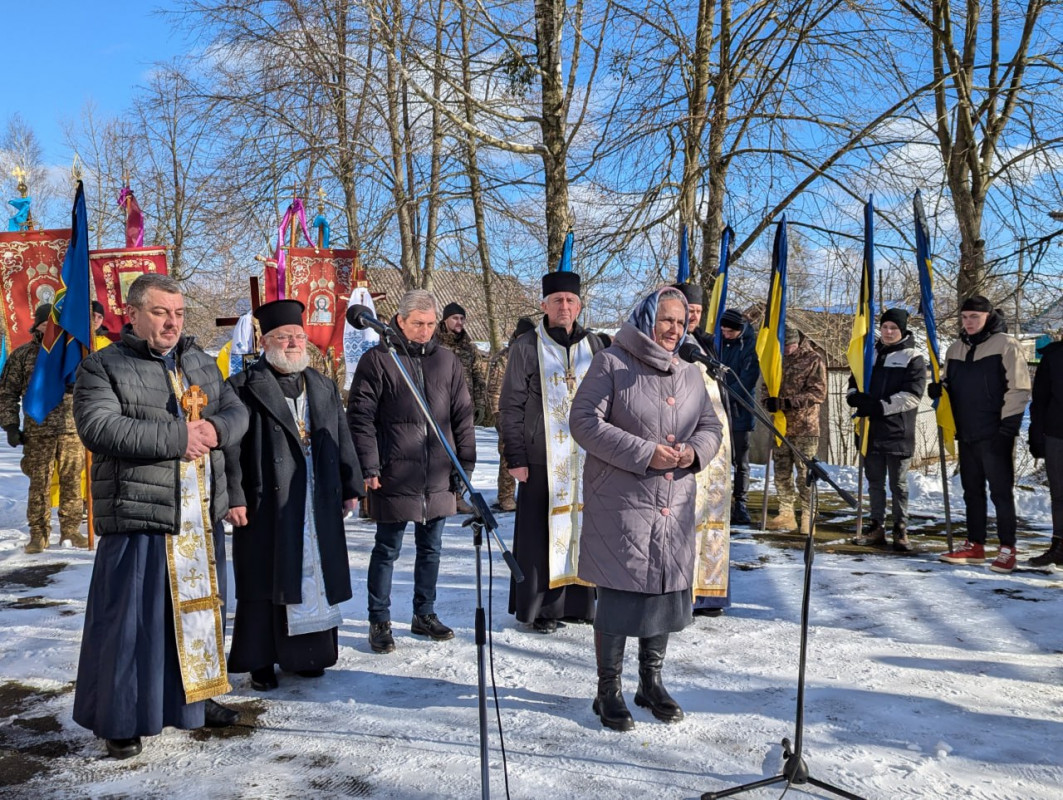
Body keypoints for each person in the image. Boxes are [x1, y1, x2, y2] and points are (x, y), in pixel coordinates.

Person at [72, 274, 249, 759]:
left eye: (178, 313)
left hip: (198, 516)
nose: (172, 322)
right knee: (132, 624)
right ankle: (122, 718)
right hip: (139, 514)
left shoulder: (200, 362)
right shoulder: (102, 365)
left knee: (200, 614)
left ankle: (198, 698)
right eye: (160, 312)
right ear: (132, 314)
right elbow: (100, 428)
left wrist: (214, 428)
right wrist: (179, 438)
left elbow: (237, 411)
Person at [570, 287, 723, 731]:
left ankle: (650, 683)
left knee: (662, 591)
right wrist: (644, 453)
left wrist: (694, 452)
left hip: (672, 504)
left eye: (681, 322)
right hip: (622, 500)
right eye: (666, 320)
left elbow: (710, 425)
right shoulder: (612, 363)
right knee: (619, 595)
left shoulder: (691, 373)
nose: (675, 330)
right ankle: (608, 691)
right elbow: (583, 422)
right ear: (646, 319)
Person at [224, 299, 363, 691]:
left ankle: (307, 655)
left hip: (315, 499)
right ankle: (261, 660)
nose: (293, 344)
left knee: (313, 575)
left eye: (298, 337)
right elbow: (230, 450)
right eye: (283, 337)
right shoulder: (242, 387)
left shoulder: (321, 384)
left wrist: (350, 485)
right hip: (265, 501)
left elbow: (341, 437)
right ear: (265, 341)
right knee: (264, 579)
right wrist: (233, 496)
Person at [347, 289, 476, 654]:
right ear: (400, 321)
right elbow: (360, 418)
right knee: (387, 549)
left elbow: (462, 415)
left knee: (431, 549)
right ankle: (379, 620)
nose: (425, 331)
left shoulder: (448, 361)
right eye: (418, 324)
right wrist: (369, 464)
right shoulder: (379, 360)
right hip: (393, 472)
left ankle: (424, 614)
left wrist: (463, 464)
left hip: (437, 473)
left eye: (431, 324)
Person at [499, 270, 602, 633]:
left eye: (571, 300)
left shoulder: (596, 346)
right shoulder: (528, 345)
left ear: (579, 305)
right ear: (544, 305)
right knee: (540, 536)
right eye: (557, 300)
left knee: (583, 528)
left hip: (586, 458)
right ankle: (542, 609)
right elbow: (510, 405)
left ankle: (579, 603)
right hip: (541, 458)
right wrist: (516, 456)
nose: (564, 306)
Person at [935, 296, 1031, 572]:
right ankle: (975, 545)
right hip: (966, 432)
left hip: (995, 432)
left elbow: (1020, 387)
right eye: (965, 317)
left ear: (988, 316)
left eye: (974, 317)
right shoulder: (954, 348)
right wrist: (939, 391)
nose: (969, 322)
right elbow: (949, 384)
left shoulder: (1006, 345)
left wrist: (1008, 426)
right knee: (971, 492)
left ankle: (1007, 548)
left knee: (1000, 492)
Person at [0, 303, 87, 552]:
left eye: (55, 323)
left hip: (72, 429)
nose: (50, 327)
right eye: (44, 323)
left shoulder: (74, 353)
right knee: (39, 483)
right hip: (38, 431)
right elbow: (6, 393)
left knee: (72, 482)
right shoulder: (23, 355)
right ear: (36, 325)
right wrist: (10, 425)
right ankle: (38, 533)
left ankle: (70, 531)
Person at [671, 284, 733, 619]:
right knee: (687, 518)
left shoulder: (707, 344)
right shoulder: (666, 343)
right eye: (687, 309)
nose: (693, 315)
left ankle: (709, 593)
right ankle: (684, 591)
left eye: (697, 310)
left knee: (712, 517)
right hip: (686, 442)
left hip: (715, 446)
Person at [848, 309, 926, 551]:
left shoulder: (913, 357)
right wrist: (854, 397)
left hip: (897, 431)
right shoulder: (868, 353)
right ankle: (876, 526)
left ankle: (900, 527)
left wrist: (879, 406)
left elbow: (912, 395)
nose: (889, 332)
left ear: (902, 330)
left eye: (894, 328)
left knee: (898, 484)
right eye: (885, 328)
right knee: (874, 482)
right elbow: (854, 380)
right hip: (870, 430)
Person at [762, 327, 827, 534]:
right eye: (784, 346)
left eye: (790, 346)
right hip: (781, 426)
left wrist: (786, 402)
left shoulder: (813, 359)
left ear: (797, 342)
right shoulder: (775, 358)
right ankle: (786, 513)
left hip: (805, 427)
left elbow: (818, 393)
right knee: (781, 472)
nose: (787, 350)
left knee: (805, 473)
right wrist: (768, 402)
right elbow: (766, 384)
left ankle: (808, 514)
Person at [436, 301, 486, 514]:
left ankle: (458, 496)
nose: (459, 322)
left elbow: (478, 376)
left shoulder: (469, 346)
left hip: (464, 408)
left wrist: (480, 403)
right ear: (445, 320)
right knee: (442, 454)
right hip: (440, 408)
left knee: (465, 454)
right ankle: (440, 495)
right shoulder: (434, 344)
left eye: (462, 318)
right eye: (455, 318)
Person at [486, 317, 535, 512]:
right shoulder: (503, 358)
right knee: (508, 455)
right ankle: (506, 496)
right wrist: (498, 416)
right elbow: (493, 390)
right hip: (508, 415)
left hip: (530, 417)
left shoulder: (537, 354)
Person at [717, 308, 761, 525]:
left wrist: (725, 394)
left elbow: (748, 380)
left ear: (740, 330)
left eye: (729, 332)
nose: (725, 334)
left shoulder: (749, 347)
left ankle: (740, 503)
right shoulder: (718, 343)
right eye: (722, 330)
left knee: (740, 462)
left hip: (739, 410)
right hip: (717, 409)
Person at [1028, 335, 1063, 566]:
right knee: (1059, 494)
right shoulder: (1053, 355)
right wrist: (1036, 434)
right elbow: (1039, 399)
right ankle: (1059, 546)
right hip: (1056, 433)